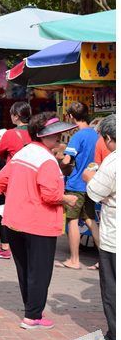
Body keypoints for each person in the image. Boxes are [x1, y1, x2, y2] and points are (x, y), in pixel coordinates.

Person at [0, 113, 79, 329]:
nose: (59, 138)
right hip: (39, 223)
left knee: (25, 269)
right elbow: (50, 195)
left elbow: (0, 179)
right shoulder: (47, 160)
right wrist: (67, 199)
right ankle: (33, 316)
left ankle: (31, 310)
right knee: (39, 271)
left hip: (14, 220)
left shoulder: (23, 153)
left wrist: (17, 195)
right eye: (56, 135)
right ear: (44, 136)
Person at [84, 114, 116, 340]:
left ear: (108, 138)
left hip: (115, 236)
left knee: (112, 286)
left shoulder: (113, 161)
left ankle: (115, 333)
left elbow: (95, 192)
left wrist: (88, 176)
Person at [57, 102, 99, 270]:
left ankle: (74, 260)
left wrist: (62, 164)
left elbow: (67, 160)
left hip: (76, 184)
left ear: (71, 117)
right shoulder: (96, 135)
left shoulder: (78, 136)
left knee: (72, 221)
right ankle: (105, 260)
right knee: (90, 220)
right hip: (91, 184)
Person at [0, 102, 32, 260]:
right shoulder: (35, 132)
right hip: (30, 177)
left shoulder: (10, 134)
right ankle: (26, 243)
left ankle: (5, 246)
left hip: (12, 178)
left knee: (3, 209)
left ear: (16, 116)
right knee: (26, 210)